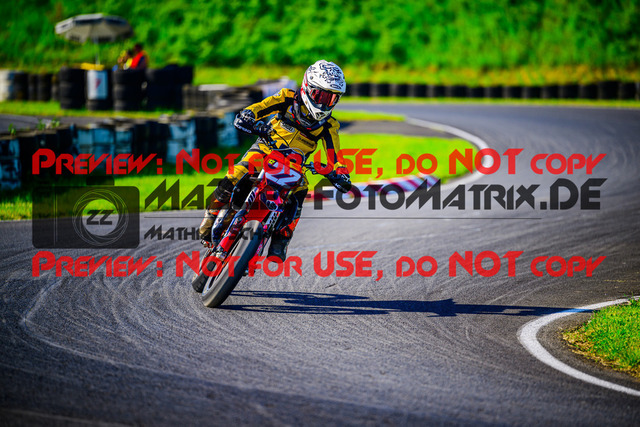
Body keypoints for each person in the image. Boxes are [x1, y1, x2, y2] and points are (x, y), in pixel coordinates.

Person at [198, 60, 352, 261]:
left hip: (295, 167)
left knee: (300, 192)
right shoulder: (287, 98)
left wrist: (339, 174)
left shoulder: (329, 125)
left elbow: (336, 158)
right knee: (236, 173)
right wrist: (248, 117)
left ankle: (281, 240)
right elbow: (258, 108)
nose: (324, 103)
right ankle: (210, 217)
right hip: (265, 150)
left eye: (331, 98)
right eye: (321, 95)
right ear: (308, 87)